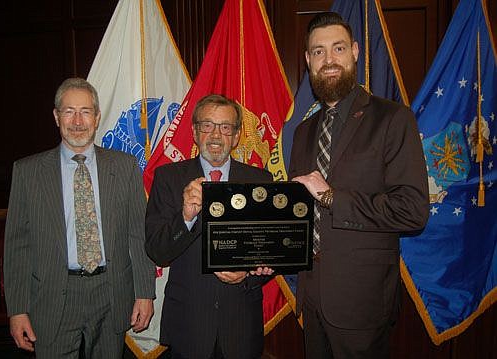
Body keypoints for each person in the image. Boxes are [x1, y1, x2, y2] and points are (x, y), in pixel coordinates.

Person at [289, 12, 429, 358]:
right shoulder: (304, 132)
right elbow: (300, 213)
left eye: (337, 48)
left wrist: (332, 196)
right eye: (318, 52)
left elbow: (412, 211)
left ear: (354, 51)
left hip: (362, 303)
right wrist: (274, 253)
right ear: (308, 61)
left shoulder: (393, 118)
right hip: (311, 298)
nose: (329, 60)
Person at [3, 77, 156, 358]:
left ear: (97, 118)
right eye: (68, 111)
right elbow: (16, 247)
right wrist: (17, 309)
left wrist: (145, 292)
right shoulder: (28, 172)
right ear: (56, 116)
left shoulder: (124, 167)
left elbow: (139, 233)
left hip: (110, 293)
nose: (77, 121)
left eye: (85, 112)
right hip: (51, 296)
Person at [145, 94, 273, 359]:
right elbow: (157, 251)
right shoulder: (168, 178)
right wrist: (186, 217)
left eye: (225, 127)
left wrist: (248, 274)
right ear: (194, 131)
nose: (216, 135)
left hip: (241, 323)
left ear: (236, 136)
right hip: (188, 324)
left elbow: (271, 251)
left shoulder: (260, 180)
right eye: (207, 125)